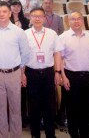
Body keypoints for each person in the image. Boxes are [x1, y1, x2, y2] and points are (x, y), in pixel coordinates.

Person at [0, 1, 31, 138]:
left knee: (15, 109)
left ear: (10, 13)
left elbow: (25, 54)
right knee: (0, 109)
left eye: (4, 11)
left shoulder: (18, 32)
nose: (1, 14)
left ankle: (16, 136)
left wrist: (21, 71)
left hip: (14, 73)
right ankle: (2, 135)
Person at [55, 12, 89, 138]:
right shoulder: (63, 37)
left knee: (87, 109)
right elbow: (60, 59)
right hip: (71, 77)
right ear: (68, 21)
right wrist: (63, 77)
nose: (76, 21)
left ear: (83, 20)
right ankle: (74, 135)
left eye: (78, 19)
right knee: (72, 110)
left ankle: (86, 135)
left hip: (88, 77)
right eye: (73, 19)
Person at [23, 8, 58, 138]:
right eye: (34, 16)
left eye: (40, 16)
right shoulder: (25, 34)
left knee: (49, 106)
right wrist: (22, 74)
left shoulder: (52, 34)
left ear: (44, 18)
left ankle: (51, 134)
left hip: (48, 73)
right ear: (30, 18)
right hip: (31, 73)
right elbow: (22, 56)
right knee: (33, 107)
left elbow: (57, 53)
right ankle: (35, 134)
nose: (37, 18)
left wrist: (58, 72)